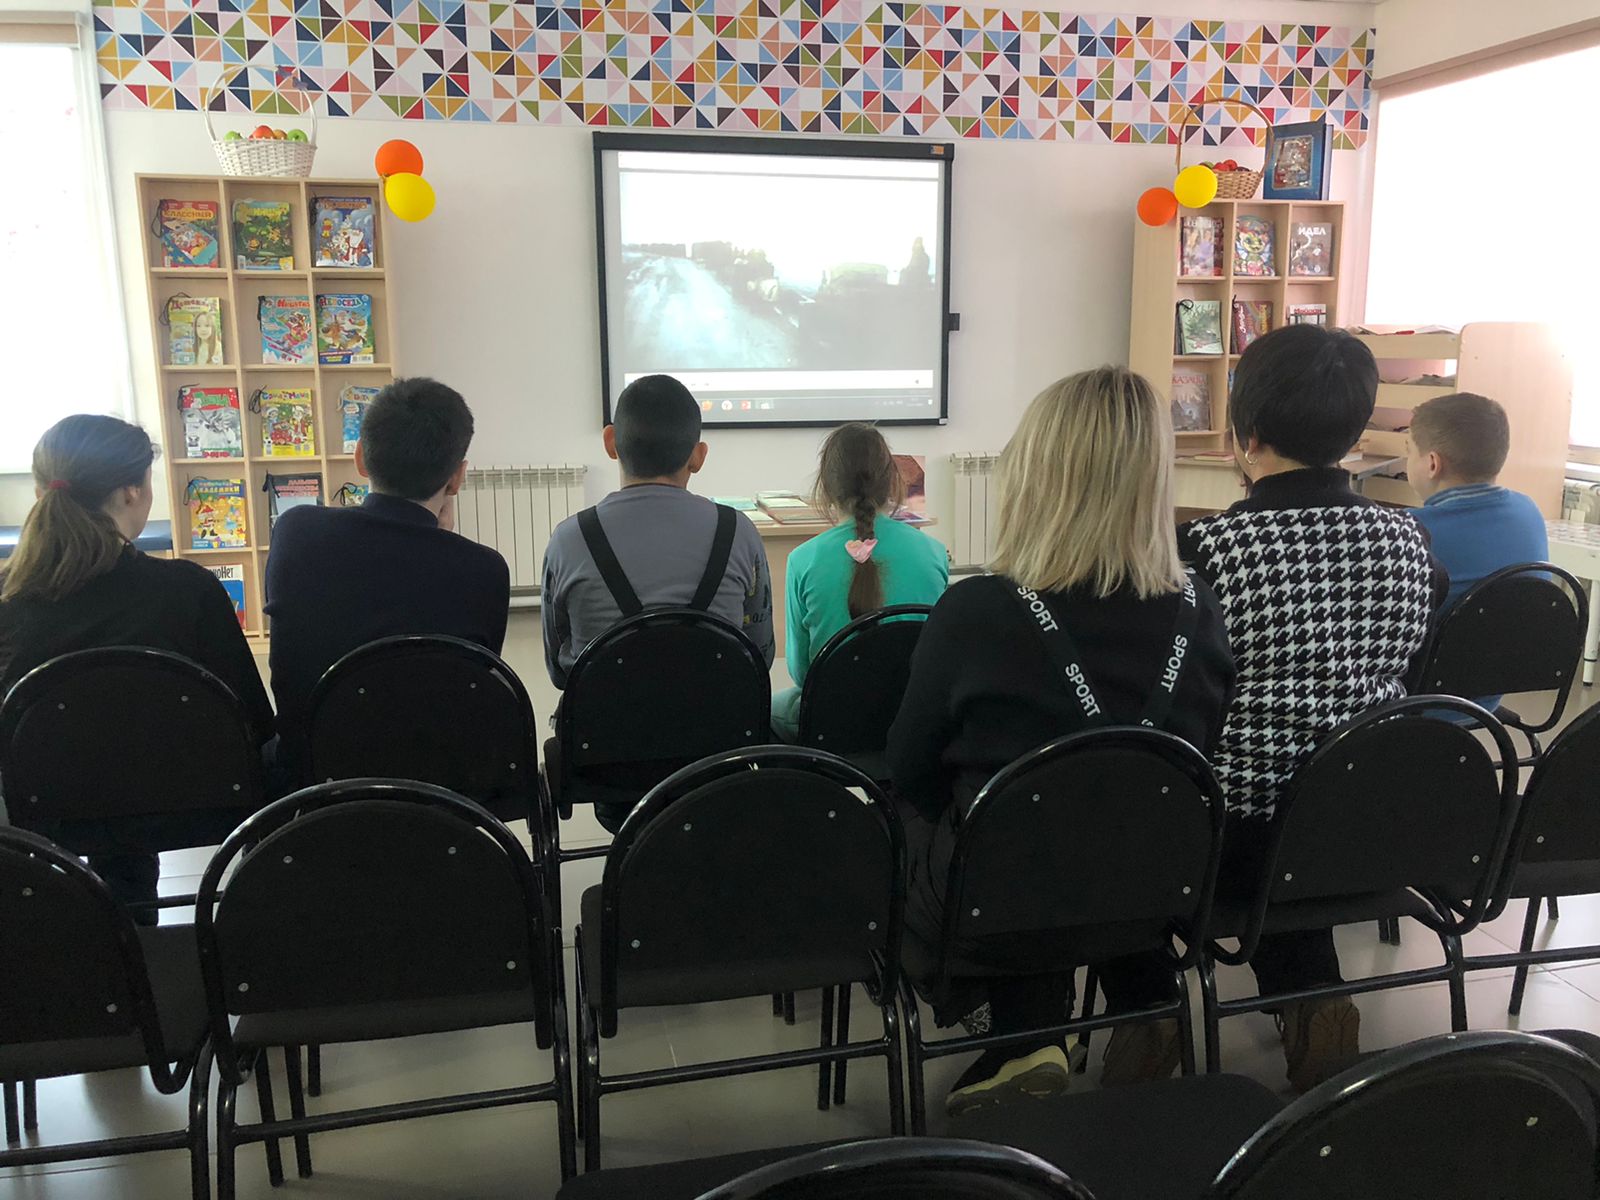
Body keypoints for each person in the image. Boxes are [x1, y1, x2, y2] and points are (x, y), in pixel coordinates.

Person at [886, 366, 1236, 1116]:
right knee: (1086, 829)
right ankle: (1137, 1000)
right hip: (1153, 895)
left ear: (1036, 475)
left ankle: (1024, 1031)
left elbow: (909, 768)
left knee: (938, 823)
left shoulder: (974, 611)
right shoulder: (1201, 610)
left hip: (994, 905)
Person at [1178, 325, 1447, 1093]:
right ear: (1356, 433)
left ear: (1247, 436)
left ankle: (1149, 1012)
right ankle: (1316, 1005)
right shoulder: (1410, 539)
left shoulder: (1212, 549)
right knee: (1306, 797)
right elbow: (1412, 674)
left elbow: (1190, 704)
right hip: (1372, 824)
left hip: (1239, 836)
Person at [0, 414, 273, 910]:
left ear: (40, 492)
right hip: (192, 804)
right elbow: (254, 720)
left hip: (46, 810)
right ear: (132, 491)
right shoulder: (188, 589)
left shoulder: (7, 600)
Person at [264, 377, 509, 782]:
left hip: (316, 785)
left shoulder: (296, 531)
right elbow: (473, 678)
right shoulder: (486, 569)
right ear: (457, 478)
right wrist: (440, 538)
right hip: (442, 788)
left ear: (360, 457)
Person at [541, 373, 773, 690]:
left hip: (602, 720)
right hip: (722, 719)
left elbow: (559, 670)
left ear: (610, 442)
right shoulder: (739, 532)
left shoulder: (568, 539)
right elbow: (760, 655)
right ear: (698, 456)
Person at [772, 423, 948, 740]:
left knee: (769, 709)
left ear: (825, 487)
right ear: (892, 482)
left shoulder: (803, 559)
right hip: (911, 718)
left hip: (832, 722)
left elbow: (801, 672)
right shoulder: (933, 552)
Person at [1406, 392, 1548, 610]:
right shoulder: (1529, 510)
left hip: (1439, 634)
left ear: (1432, 464)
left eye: (1409, 451)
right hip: (1529, 632)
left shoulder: (1407, 531)